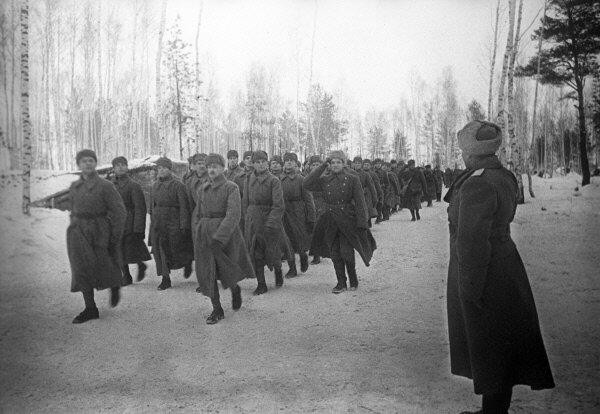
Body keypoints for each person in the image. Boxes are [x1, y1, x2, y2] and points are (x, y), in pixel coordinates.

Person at [445, 120, 554, 414]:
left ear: (471, 153)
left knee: (488, 344)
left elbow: (472, 242)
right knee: (499, 343)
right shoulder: (502, 175)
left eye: (463, 151)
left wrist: (470, 287)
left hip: (485, 273)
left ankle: (493, 411)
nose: (462, 156)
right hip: (505, 268)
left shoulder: (477, 182)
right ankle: (493, 409)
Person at [304, 150, 376, 293]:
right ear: (329, 165)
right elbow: (307, 183)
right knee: (335, 253)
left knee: (346, 251)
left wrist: (362, 223)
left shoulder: (352, 179)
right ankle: (341, 283)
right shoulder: (324, 180)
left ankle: (353, 279)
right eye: (332, 162)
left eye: (338, 162)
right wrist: (322, 165)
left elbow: (360, 202)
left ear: (344, 164)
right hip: (330, 220)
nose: (335, 165)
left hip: (347, 220)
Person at [67, 149, 126, 323]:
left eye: (91, 160)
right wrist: (74, 226)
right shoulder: (74, 187)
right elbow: (73, 208)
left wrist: (114, 235)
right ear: (79, 164)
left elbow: (120, 212)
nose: (87, 163)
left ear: (95, 163)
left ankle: (114, 285)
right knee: (81, 268)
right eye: (84, 161)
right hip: (78, 232)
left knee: (105, 264)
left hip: (99, 230)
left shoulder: (105, 186)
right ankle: (90, 308)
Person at [194, 154, 254, 324]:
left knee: (226, 269)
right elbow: (198, 213)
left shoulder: (231, 187)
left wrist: (220, 238)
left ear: (222, 168)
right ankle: (217, 309)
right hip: (205, 235)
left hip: (225, 237)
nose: (211, 170)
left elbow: (233, 214)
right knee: (207, 272)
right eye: (209, 167)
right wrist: (198, 230)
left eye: (215, 166)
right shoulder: (203, 189)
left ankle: (235, 289)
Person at [242, 150, 286, 294]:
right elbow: (245, 202)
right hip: (253, 222)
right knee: (255, 253)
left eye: (263, 162)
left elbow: (278, 205)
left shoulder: (274, 181)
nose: (260, 165)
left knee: (273, 251)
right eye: (257, 162)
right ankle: (261, 284)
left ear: (267, 163)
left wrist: (271, 223)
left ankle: (278, 271)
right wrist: (246, 218)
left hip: (269, 221)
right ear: (253, 164)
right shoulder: (248, 179)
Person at [149, 157, 194, 290]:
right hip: (159, 222)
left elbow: (184, 207)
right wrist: (152, 223)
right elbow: (152, 206)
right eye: (159, 168)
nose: (161, 170)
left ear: (170, 169)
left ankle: (187, 262)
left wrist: (184, 225)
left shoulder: (178, 185)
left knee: (175, 249)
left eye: (164, 168)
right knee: (160, 250)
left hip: (173, 221)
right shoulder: (154, 186)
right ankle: (165, 278)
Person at [110, 156, 151, 286]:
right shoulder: (110, 186)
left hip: (130, 221)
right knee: (118, 249)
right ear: (113, 169)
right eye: (117, 165)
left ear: (127, 167)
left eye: (123, 165)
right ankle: (126, 275)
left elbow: (140, 208)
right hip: (115, 222)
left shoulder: (134, 185)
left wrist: (139, 228)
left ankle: (140, 265)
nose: (120, 167)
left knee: (131, 247)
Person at [280, 152, 316, 276]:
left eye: (292, 160)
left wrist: (311, 218)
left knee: (299, 238)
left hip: (298, 213)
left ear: (296, 163)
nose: (289, 162)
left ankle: (303, 256)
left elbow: (309, 200)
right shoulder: (279, 179)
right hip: (284, 213)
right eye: (287, 160)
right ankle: (292, 268)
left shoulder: (302, 179)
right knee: (287, 241)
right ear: (284, 163)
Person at [307, 155, 326, 264]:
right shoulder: (307, 177)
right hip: (309, 205)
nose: (315, 167)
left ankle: (317, 255)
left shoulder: (325, 177)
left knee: (318, 230)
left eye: (317, 165)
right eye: (313, 165)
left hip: (321, 205)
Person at [352, 156, 378, 227]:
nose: (357, 165)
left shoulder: (366, 174)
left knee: (365, 212)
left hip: (364, 197)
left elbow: (372, 187)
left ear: (361, 164)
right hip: (353, 197)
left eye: (359, 163)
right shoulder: (350, 173)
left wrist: (375, 199)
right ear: (353, 164)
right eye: (356, 163)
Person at [363, 159, 383, 224]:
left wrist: (379, 194)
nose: (366, 166)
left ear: (370, 166)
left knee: (369, 208)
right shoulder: (360, 173)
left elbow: (377, 185)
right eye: (364, 164)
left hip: (370, 194)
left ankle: (368, 222)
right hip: (361, 193)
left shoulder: (373, 174)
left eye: (367, 165)